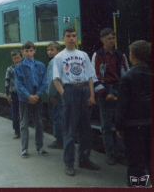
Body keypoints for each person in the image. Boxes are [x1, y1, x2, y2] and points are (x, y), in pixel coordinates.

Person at [52, 26, 100, 176]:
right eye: (68, 36)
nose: (71, 38)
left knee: (85, 128)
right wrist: (64, 95)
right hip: (70, 90)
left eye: (74, 35)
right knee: (70, 129)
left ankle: (84, 160)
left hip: (84, 90)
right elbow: (56, 79)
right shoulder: (59, 57)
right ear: (63, 38)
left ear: (76, 37)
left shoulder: (83, 55)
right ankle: (69, 163)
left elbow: (90, 76)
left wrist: (92, 95)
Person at [115, 40, 151, 187]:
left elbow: (122, 106)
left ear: (131, 56)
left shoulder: (128, 77)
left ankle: (138, 187)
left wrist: (119, 127)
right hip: (150, 124)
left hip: (133, 127)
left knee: (135, 163)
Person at [91, 28, 129, 165]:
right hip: (106, 90)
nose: (112, 41)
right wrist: (104, 93)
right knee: (106, 125)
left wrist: (124, 91)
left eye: (113, 38)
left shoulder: (120, 55)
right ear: (102, 40)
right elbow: (94, 76)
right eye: (108, 38)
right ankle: (110, 154)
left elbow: (126, 73)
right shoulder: (98, 55)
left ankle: (121, 153)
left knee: (120, 123)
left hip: (119, 88)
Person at [15, 41, 48, 158]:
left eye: (31, 51)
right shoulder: (19, 67)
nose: (29, 53)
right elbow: (19, 85)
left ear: (34, 51)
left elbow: (44, 82)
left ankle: (40, 147)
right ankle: (24, 149)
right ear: (22, 52)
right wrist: (28, 96)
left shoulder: (41, 65)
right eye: (26, 51)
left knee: (39, 123)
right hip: (25, 99)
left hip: (37, 98)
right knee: (24, 124)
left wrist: (37, 95)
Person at [46, 41, 63, 149]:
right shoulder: (61, 60)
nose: (49, 52)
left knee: (56, 116)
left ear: (58, 51)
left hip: (56, 94)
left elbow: (53, 81)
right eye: (48, 50)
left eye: (52, 50)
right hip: (61, 92)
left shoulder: (53, 62)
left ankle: (59, 140)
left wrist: (51, 95)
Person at [5, 49, 22, 139]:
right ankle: (17, 131)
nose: (16, 60)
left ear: (21, 58)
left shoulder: (24, 67)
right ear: (12, 59)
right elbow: (7, 81)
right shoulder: (10, 69)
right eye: (15, 58)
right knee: (15, 113)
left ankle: (23, 130)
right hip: (14, 93)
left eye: (18, 58)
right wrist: (7, 94)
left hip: (23, 94)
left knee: (23, 113)